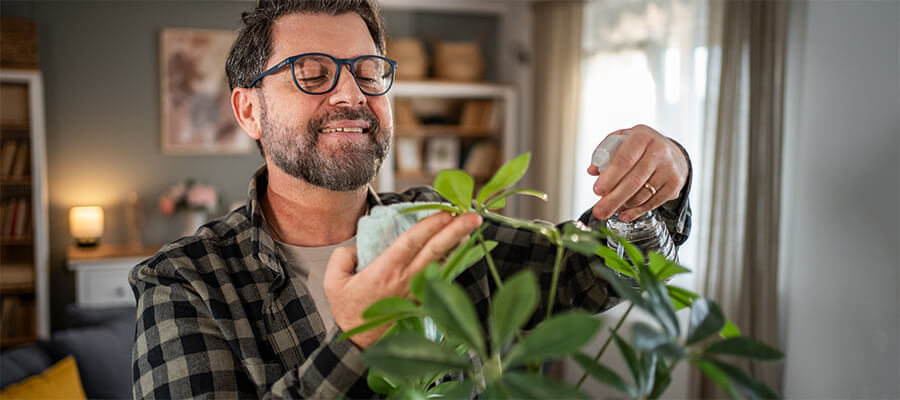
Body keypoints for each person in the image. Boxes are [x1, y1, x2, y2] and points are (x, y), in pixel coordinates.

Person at [130, 0, 692, 398]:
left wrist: (663, 173)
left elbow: (593, 272)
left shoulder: (436, 223)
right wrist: (355, 343)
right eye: (311, 74)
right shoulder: (183, 283)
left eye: (368, 72)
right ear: (249, 111)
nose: (351, 95)